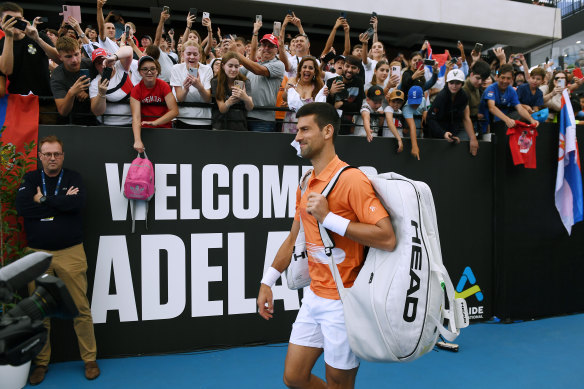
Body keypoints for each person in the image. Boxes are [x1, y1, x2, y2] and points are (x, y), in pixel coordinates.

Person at [256, 102, 395, 389]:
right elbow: (294, 237)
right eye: (297, 130)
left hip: (345, 302)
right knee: (294, 376)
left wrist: (329, 218)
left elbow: (387, 237)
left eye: (305, 129)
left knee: (339, 384)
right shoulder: (306, 183)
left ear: (328, 131)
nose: (297, 137)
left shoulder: (352, 179)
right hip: (314, 297)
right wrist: (267, 281)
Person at [15, 135, 100, 385]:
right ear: (40, 156)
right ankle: (41, 364)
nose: (52, 158)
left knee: (80, 308)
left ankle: (90, 359)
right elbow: (22, 208)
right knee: (39, 311)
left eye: (57, 154)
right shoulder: (31, 179)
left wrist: (43, 200)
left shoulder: (73, 178)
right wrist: (59, 204)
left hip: (70, 253)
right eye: (47, 154)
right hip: (37, 255)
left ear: (62, 156)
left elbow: (77, 205)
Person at [0, 2, 59, 97]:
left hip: (45, 99)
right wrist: (9, 36)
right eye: (10, 20)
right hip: (17, 101)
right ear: (1, 21)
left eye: (18, 19)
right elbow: (6, 70)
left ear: (23, 20)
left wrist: (37, 39)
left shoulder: (38, 35)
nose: (14, 23)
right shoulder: (1, 43)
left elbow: (58, 59)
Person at [235, 33, 285, 132]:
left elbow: (259, 70)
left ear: (276, 49)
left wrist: (237, 54)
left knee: (259, 147)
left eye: (270, 46)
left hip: (263, 119)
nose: (266, 48)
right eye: (264, 45)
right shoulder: (253, 65)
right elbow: (236, 74)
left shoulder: (279, 65)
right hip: (245, 115)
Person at [130, 55, 178, 152]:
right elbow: (136, 117)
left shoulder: (163, 85)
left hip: (165, 129)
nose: (149, 72)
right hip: (145, 131)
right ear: (139, 72)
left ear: (157, 71)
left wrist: (155, 122)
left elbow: (174, 111)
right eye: (145, 69)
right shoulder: (136, 90)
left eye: (153, 69)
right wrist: (137, 140)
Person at [426, 69, 479, 156]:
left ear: (462, 84)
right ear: (447, 83)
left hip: (452, 133)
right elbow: (430, 118)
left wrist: (473, 139)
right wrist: (443, 133)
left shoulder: (464, 96)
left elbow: (464, 118)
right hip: (435, 135)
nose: (454, 86)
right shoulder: (441, 97)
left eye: (457, 83)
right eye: (451, 83)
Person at [50, 36, 96, 125]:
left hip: (92, 119)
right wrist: (72, 92)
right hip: (67, 122)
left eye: (76, 54)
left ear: (80, 51)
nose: (74, 60)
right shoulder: (57, 76)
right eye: (68, 56)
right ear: (60, 57)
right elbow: (63, 111)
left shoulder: (91, 64)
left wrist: (90, 93)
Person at [90, 46, 140, 126]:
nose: (103, 65)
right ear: (95, 66)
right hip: (108, 125)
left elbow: (129, 50)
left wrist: (114, 57)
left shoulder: (120, 67)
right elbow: (97, 111)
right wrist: (101, 94)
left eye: (104, 60)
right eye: (99, 63)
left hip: (132, 123)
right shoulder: (95, 83)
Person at [480, 64, 540, 130]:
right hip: (486, 122)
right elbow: (492, 108)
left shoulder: (511, 90)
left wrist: (532, 120)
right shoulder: (491, 88)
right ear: (497, 77)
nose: (505, 81)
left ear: (512, 79)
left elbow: (520, 108)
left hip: (502, 122)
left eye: (508, 78)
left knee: (523, 115)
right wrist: (507, 120)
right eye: (503, 78)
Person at [170, 40, 212, 129]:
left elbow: (208, 99)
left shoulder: (207, 69)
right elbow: (180, 99)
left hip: (204, 119)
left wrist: (199, 87)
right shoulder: (176, 68)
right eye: (188, 54)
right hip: (184, 119)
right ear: (182, 55)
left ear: (200, 55)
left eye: (195, 54)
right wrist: (185, 89)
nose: (192, 57)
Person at [211, 50, 253, 131]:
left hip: (240, 126)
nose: (233, 69)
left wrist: (245, 98)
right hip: (220, 126)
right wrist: (230, 101)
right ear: (223, 66)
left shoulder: (245, 81)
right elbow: (222, 109)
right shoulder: (216, 81)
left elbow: (250, 107)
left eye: (236, 66)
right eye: (230, 66)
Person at [282, 56, 325, 133]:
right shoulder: (293, 80)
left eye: (311, 68)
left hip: (308, 128)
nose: (307, 70)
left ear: (315, 72)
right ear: (300, 70)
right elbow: (284, 98)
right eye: (304, 67)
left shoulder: (319, 86)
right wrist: (287, 90)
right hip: (290, 124)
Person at [325, 54, 365, 135]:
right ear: (343, 66)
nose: (349, 70)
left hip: (348, 127)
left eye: (353, 68)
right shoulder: (331, 82)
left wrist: (341, 103)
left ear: (358, 70)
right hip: (331, 126)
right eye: (347, 66)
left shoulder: (359, 83)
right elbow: (328, 106)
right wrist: (331, 94)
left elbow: (357, 106)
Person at [402, 85, 427, 160]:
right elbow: (412, 127)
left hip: (421, 132)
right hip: (410, 135)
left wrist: (425, 112)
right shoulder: (406, 108)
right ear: (408, 97)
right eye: (413, 101)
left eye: (417, 102)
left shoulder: (423, 100)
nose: (415, 104)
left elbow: (425, 109)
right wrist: (414, 146)